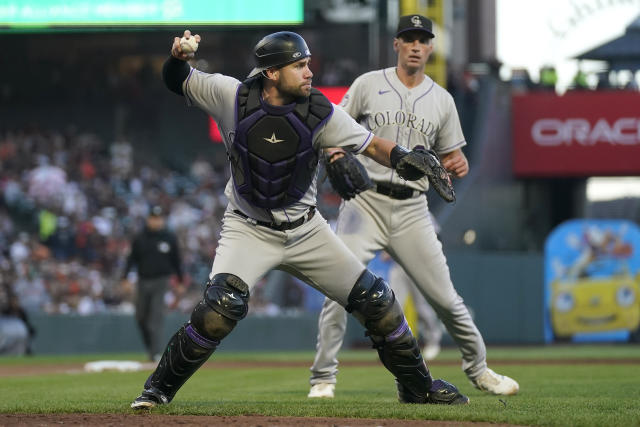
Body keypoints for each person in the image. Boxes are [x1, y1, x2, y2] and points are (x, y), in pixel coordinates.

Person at [130, 29, 470, 409]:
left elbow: (373, 144)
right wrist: (178, 57)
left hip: (306, 230)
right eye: (300, 65)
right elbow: (176, 80)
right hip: (248, 226)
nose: (310, 72)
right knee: (218, 311)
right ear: (272, 73)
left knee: (378, 303)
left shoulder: (320, 110)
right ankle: (156, 391)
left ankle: (417, 387)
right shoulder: (231, 95)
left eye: (308, 64)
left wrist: (406, 156)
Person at [307, 15, 519, 399]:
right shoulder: (368, 84)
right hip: (365, 200)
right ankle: (323, 378)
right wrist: (336, 152)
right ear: (397, 44)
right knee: (337, 291)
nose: (416, 45)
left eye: (423, 39)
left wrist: (458, 162)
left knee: (446, 299)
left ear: (431, 47)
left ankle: (480, 369)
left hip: (412, 209)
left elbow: (453, 155)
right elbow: (332, 124)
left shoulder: (442, 100)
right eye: (409, 38)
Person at [122, 205, 184, 362]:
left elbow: (177, 261)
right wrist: (125, 278)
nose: (156, 221)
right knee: (140, 317)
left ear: (162, 220)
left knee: (156, 317)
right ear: (148, 219)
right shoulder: (140, 237)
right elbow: (131, 259)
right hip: (143, 280)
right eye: (153, 218)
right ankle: (152, 348)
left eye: (158, 218)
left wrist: (180, 281)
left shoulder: (169, 237)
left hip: (161, 281)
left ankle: (156, 353)